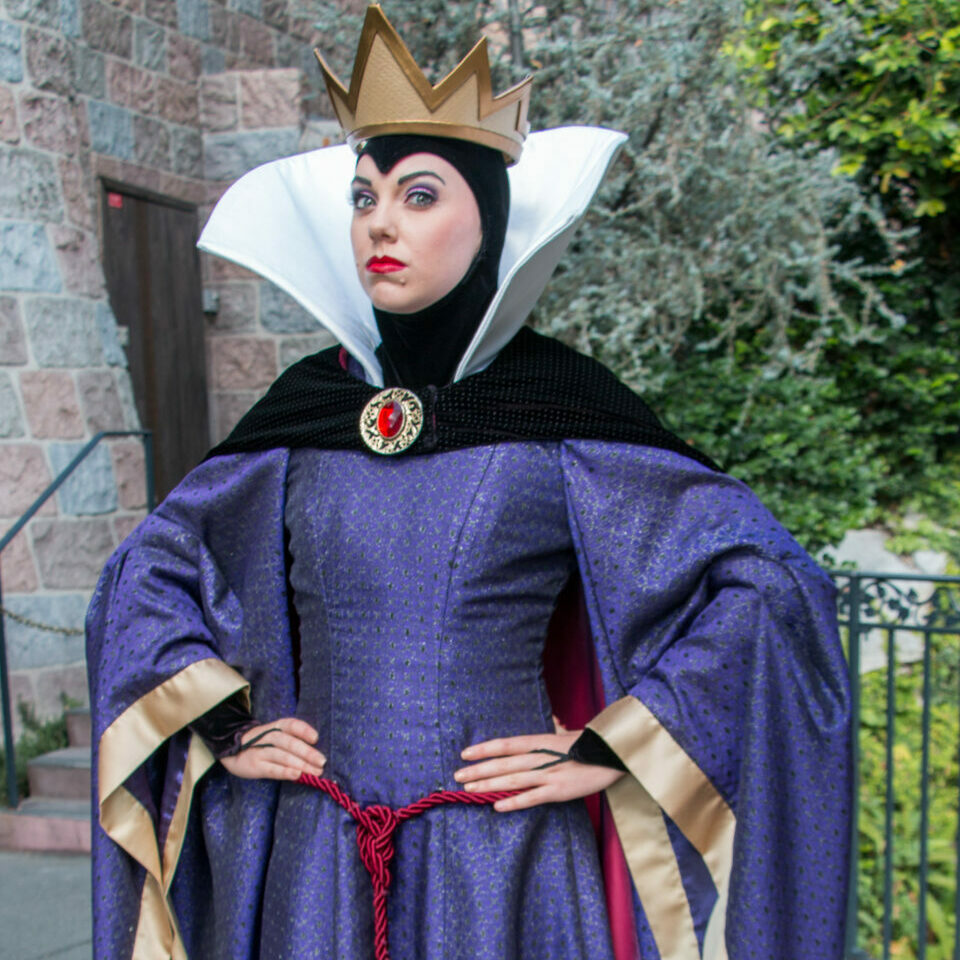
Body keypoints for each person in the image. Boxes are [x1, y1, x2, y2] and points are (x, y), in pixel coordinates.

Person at [85, 7, 852, 959]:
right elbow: (144, 576)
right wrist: (225, 721)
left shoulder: (559, 411)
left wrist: (616, 743)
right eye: (364, 198)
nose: (380, 226)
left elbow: (772, 588)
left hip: (505, 864)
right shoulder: (304, 412)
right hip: (312, 860)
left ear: (484, 219)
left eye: (417, 196)